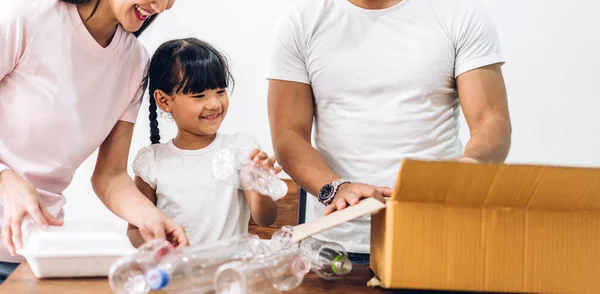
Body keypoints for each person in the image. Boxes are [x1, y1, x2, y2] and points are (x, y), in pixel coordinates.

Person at [267, 0, 512, 264]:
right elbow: (289, 134)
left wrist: (470, 164)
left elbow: (490, 119)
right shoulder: (302, 20)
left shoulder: (459, 12)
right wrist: (336, 189)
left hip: (439, 234)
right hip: (334, 244)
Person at [0, 0, 188, 283]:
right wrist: (6, 178)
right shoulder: (28, 16)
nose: (161, 6)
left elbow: (110, 176)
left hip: (37, 255)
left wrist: (149, 217)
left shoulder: (134, 63)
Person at [127, 38, 280, 247]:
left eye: (220, 92)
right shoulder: (152, 161)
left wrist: (261, 184)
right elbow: (135, 230)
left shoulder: (240, 148)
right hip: (179, 274)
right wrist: (162, 246)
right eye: (199, 95)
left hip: (227, 273)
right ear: (164, 100)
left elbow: (265, 218)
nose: (214, 104)